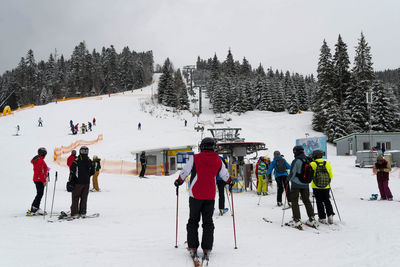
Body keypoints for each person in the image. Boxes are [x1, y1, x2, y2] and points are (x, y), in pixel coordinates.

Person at [174, 137, 233, 261]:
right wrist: (230, 181)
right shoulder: (218, 160)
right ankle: (206, 247)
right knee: (208, 222)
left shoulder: (194, 158)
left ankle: (193, 247)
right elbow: (225, 175)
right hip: (210, 196)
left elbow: (185, 172)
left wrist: (179, 181)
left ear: (202, 146)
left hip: (195, 195)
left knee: (193, 221)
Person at [286, 146, 317, 228]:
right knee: (306, 200)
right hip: (305, 184)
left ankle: (296, 219)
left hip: (296, 184)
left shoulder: (296, 160)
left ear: (296, 152)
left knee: (294, 201)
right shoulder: (307, 160)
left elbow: (293, 173)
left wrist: (287, 179)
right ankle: (312, 218)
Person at [69, 146, 94, 218]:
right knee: (84, 197)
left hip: (78, 182)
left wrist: (70, 181)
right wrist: (87, 176)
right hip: (86, 182)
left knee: (75, 197)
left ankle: (74, 212)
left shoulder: (76, 160)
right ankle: (83, 211)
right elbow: (93, 171)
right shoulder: (89, 160)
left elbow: (72, 172)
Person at [310, 150, 335, 224]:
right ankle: (330, 216)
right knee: (327, 200)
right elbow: (331, 175)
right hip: (326, 186)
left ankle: (322, 217)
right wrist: (327, 183)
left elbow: (310, 175)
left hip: (316, 186)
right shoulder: (327, 163)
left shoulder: (312, 164)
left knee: (319, 201)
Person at [29, 147, 49, 214]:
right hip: (39, 179)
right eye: (45, 153)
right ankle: (35, 207)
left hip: (38, 178)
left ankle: (35, 207)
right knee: (40, 194)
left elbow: (43, 168)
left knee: (39, 193)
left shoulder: (39, 159)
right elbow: (39, 171)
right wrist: (43, 181)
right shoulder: (39, 160)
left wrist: (47, 170)